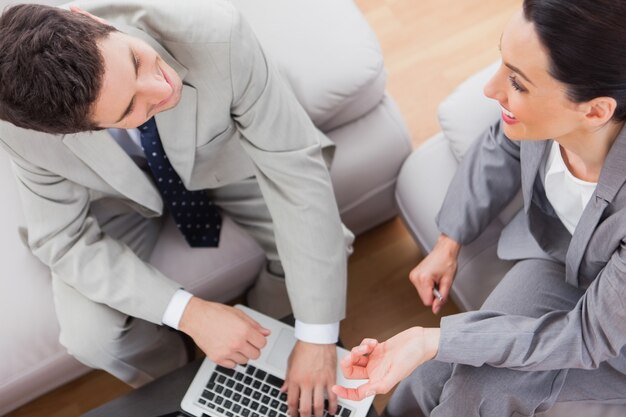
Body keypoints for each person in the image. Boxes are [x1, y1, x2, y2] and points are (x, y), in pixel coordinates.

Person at [0, 1, 354, 416]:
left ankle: (269, 344)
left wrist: (314, 339)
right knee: (90, 337)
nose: (162, 88)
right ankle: (187, 372)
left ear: (90, 19)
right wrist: (188, 314)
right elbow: (61, 239)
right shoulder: (24, 128)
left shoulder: (217, 35)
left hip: (228, 160)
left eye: (135, 61)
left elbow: (297, 174)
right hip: (117, 199)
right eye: (128, 108)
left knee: (320, 248)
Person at [332, 0, 626, 415]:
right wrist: (448, 243)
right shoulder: (545, 120)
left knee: (475, 392)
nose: (491, 89)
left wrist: (433, 339)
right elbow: (503, 144)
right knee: (432, 373)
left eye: (518, 83)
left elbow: (588, 336)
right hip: (559, 265)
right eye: (502, 62)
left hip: (612, 341)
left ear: (595, 111)